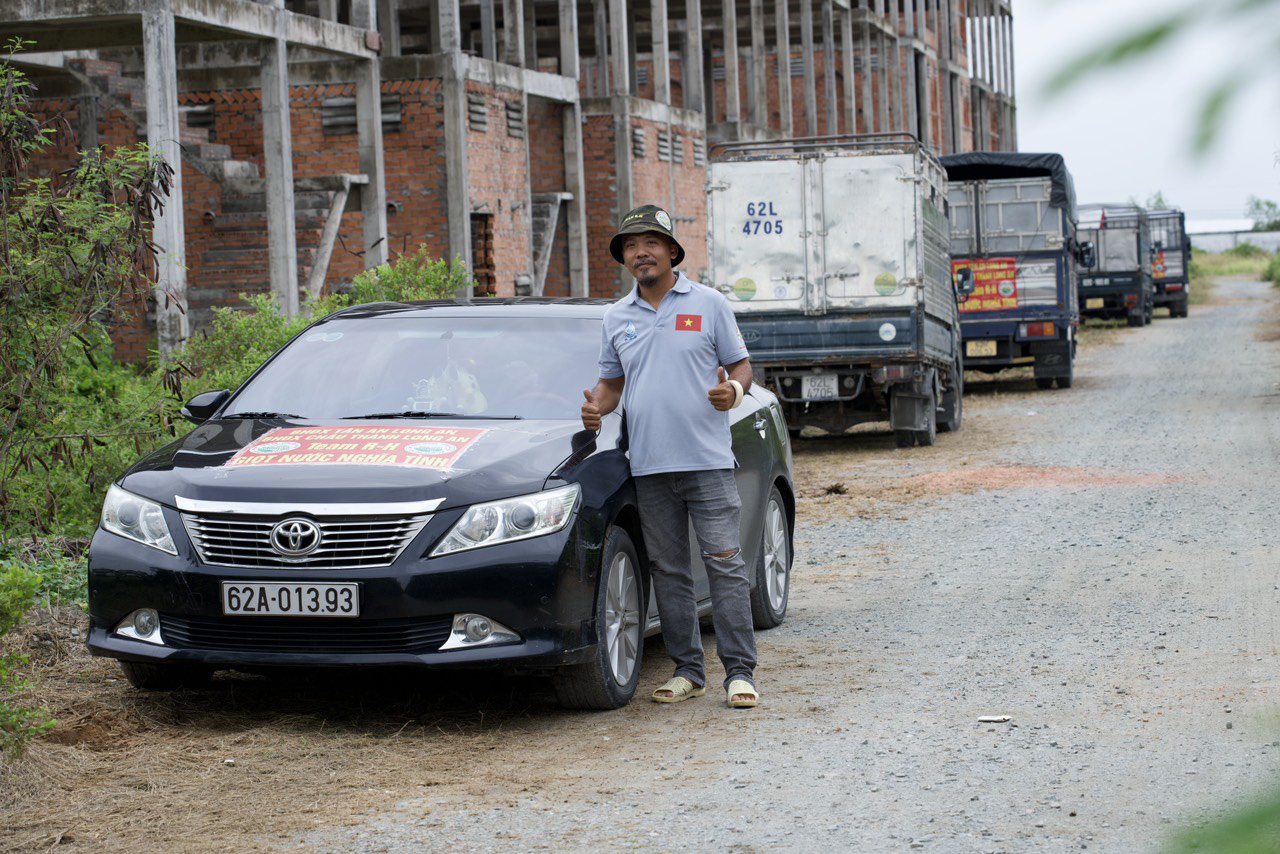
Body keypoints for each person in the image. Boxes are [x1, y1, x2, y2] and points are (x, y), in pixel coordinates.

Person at [580, 204, 759, 709]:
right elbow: (612, 385)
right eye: (631, 246)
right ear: (624, 258)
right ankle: (688, 671)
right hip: (650, 466)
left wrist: (734, 393)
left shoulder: (708, 304)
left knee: (725, 565)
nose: (641, 252)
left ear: (671, 251)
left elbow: (741, 367)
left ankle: (740, 673)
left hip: (706, 463)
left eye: (651, 243)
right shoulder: (617, 317)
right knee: (670, 572)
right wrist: (596, 407)